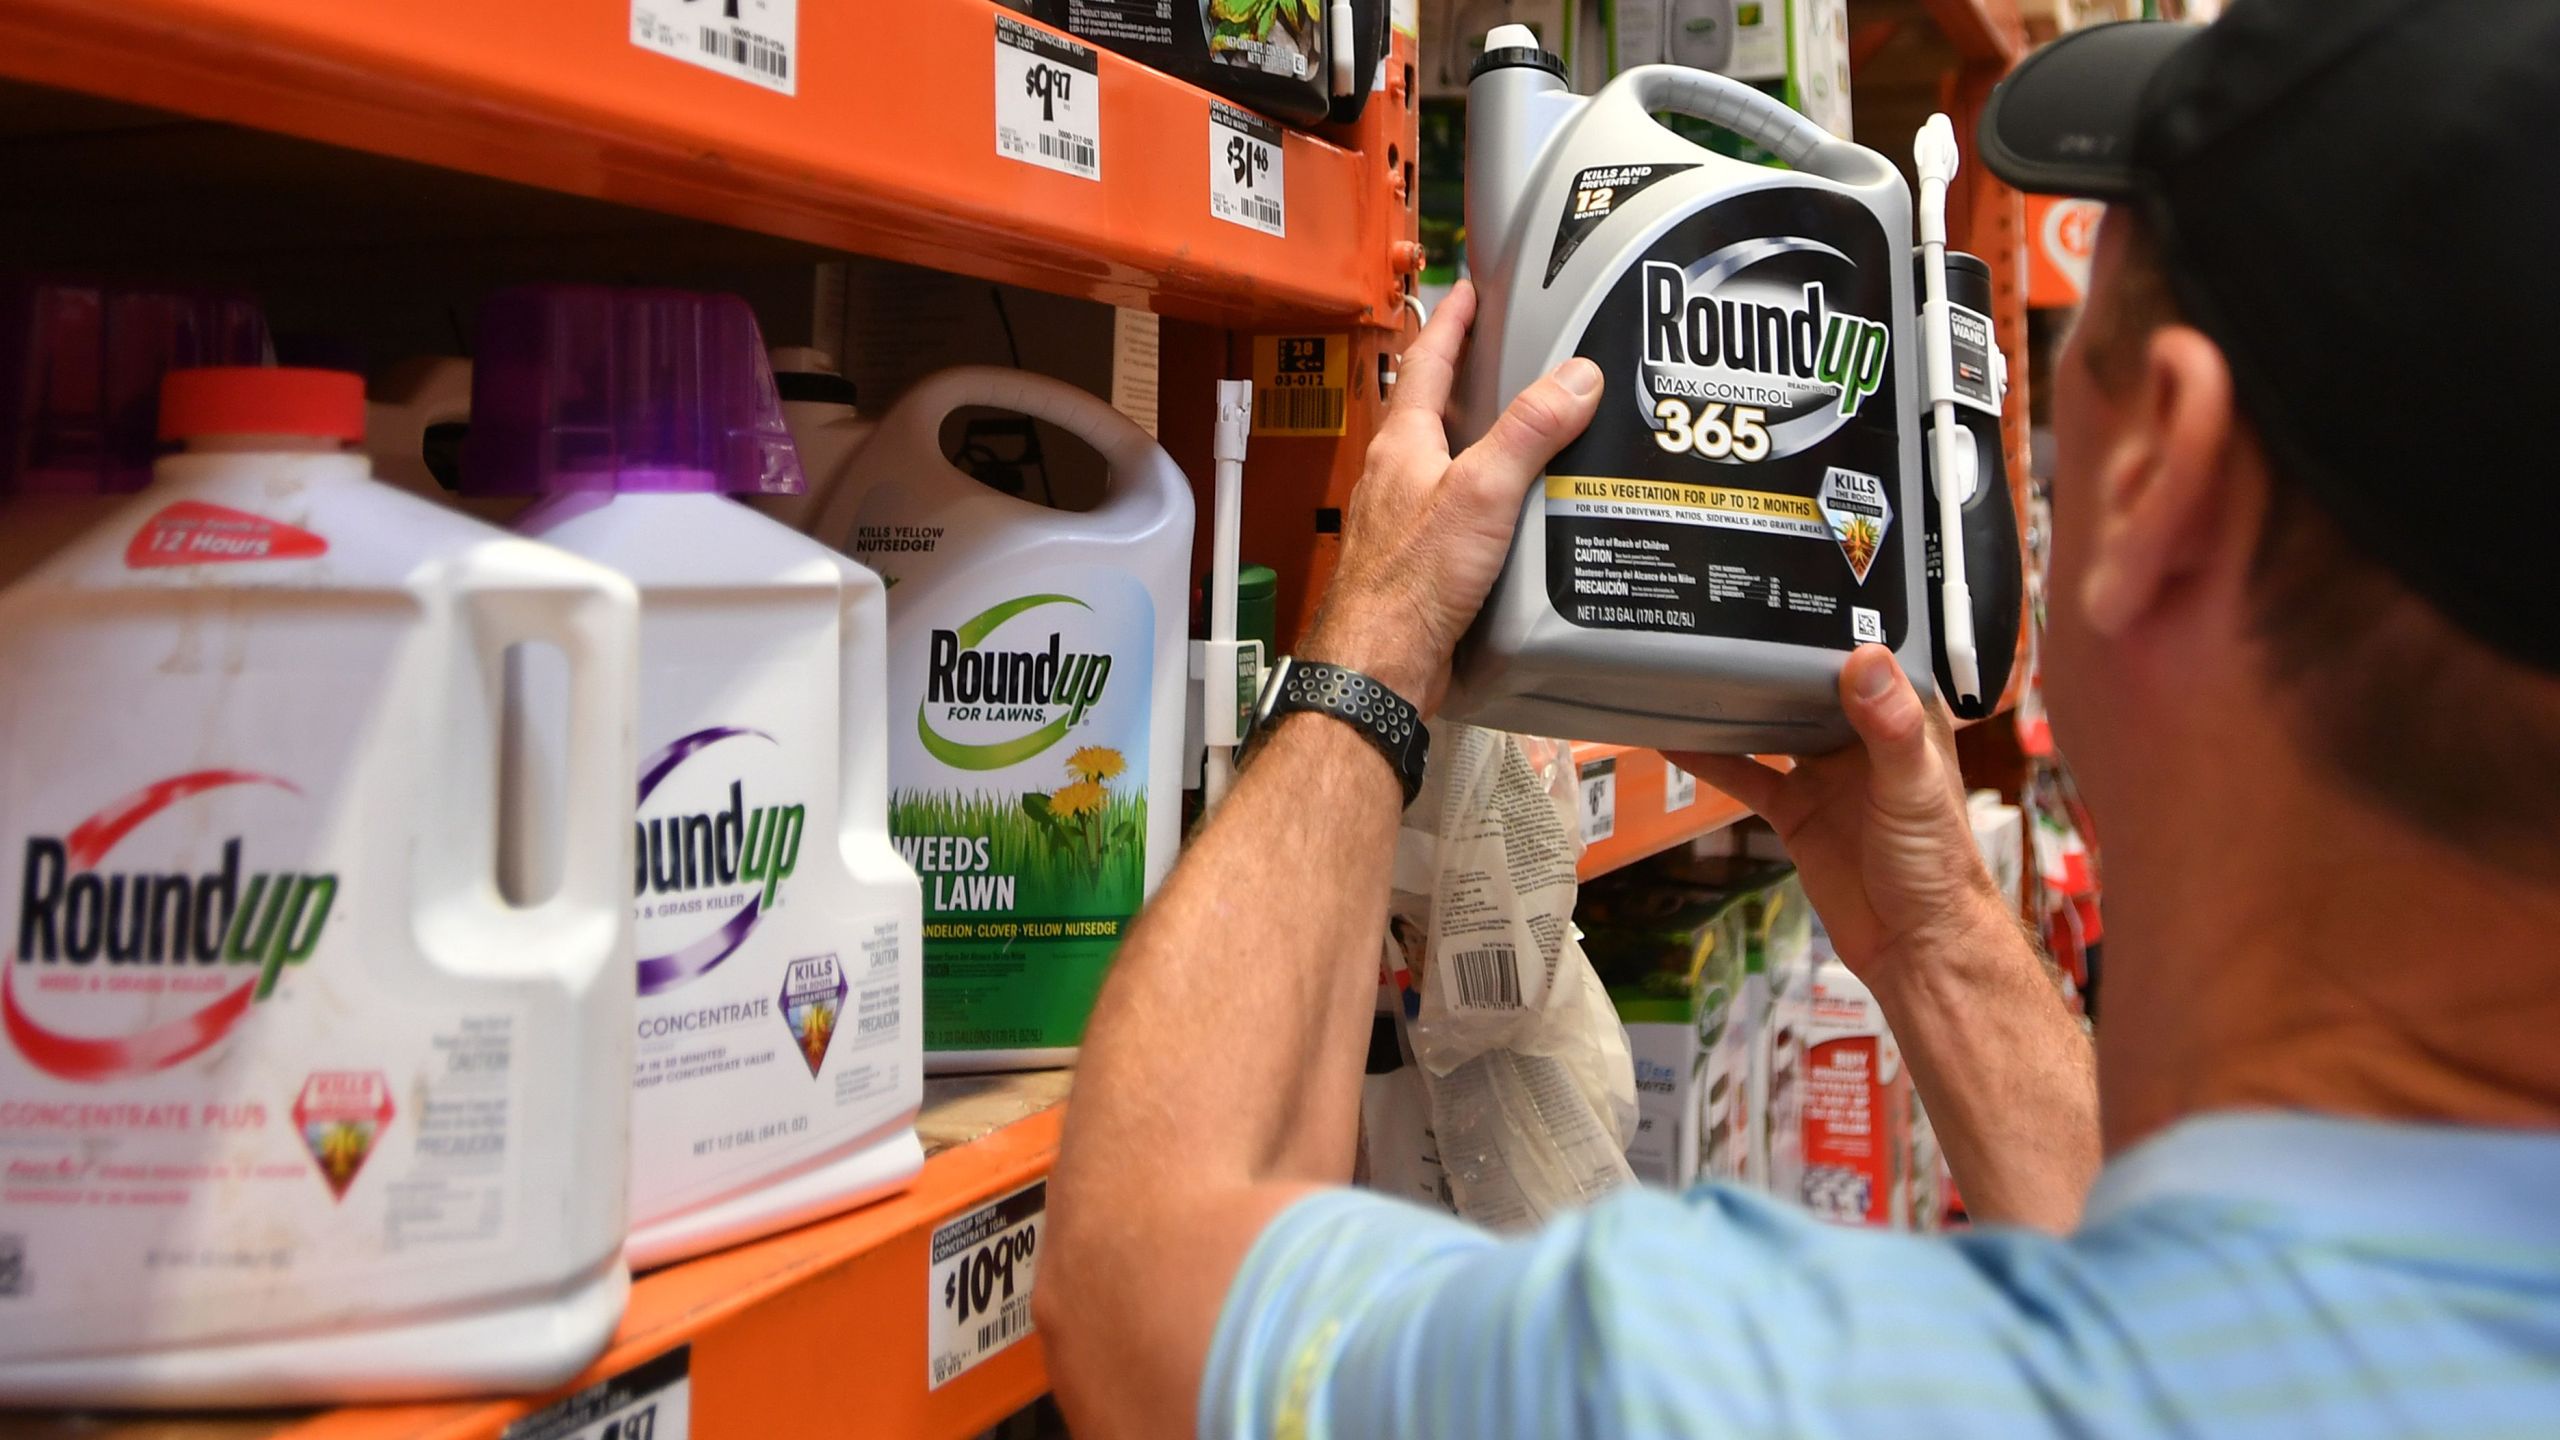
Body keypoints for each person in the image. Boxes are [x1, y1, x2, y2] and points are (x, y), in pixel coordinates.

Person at [1038, 1, 2560, 1434]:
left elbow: (1128, 1282)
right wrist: (1942, 940)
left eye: (2078, 343)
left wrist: (1375, 638)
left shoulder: (1758, 1383)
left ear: (2161, 470)